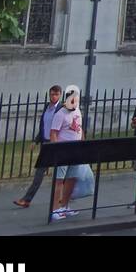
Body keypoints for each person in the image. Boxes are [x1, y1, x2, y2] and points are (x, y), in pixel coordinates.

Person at [14, 84, 62, 209]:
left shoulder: (62, 109)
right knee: (40, 172)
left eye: (56, 94)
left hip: (56, 145)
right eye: (52, 94)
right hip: (45, 144)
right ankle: (27, 199)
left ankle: (66, 197)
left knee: (62, 173)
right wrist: (36, 141)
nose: (54, 97)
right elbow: (43, 127)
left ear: (60, 95)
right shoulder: (47, 107)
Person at [49, 85, 84, 220]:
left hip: (75, 150)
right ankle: (54, 210)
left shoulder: (77, 111)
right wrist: (56, 150)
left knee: (72, 178)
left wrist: (83, 144)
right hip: (63, 150)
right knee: (59, 181)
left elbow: (80, 128)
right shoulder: (60, 114)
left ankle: (64, 206)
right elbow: (53, 133)